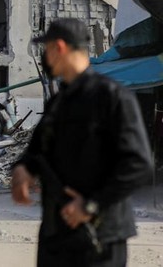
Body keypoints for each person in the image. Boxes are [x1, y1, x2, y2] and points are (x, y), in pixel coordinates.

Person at [11, 18, 153, 267]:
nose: (44, 57)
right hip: (58, 235)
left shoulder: (111, 97)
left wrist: (90, 204)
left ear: (59, 48)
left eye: (46, 49)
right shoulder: (59, 101)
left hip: (98, 237)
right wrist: (23, 168)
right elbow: (37, 150)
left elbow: (139, 164)